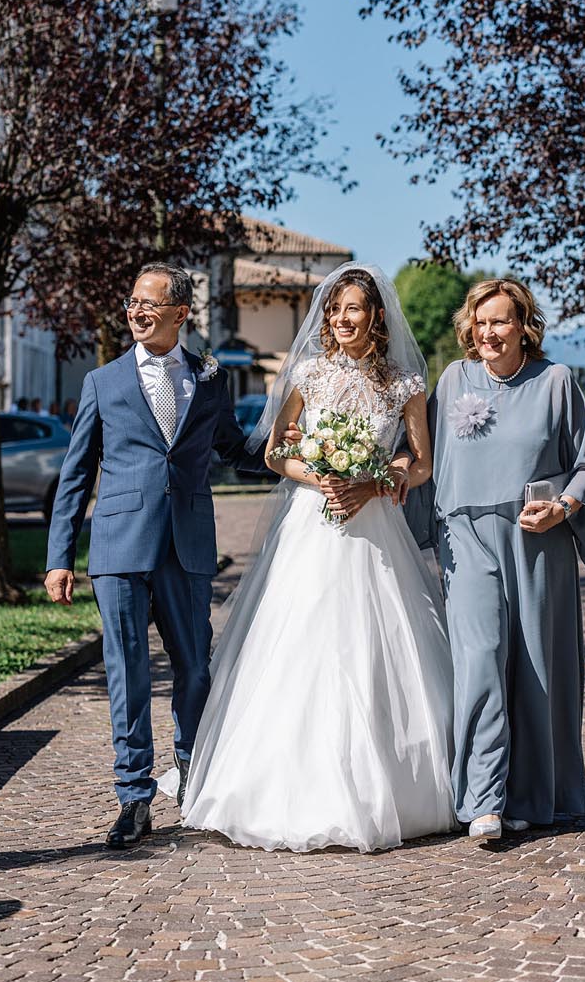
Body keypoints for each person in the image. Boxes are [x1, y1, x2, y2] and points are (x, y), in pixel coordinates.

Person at [177, 265, 454, 853]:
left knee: (375, 646)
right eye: (333, 310)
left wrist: (377, 482)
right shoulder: (308, 374)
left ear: (376, 315)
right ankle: (282, 787)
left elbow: (421, 463)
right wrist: (325, 478)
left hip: (375, 530)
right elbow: (277, 452)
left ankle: (395, 790)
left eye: (352, 309)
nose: (341, 319)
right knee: (299, 642)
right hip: (313, 524)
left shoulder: (404, 384)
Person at [44, 261, 259, 850]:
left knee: (194, 669)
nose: (137, 312)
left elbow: (237, 450)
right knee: (127, 671)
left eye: (150, 303)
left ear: (180, 314)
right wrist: (59, 555)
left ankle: (191, 772)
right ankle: (133, 794)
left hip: (187, 548)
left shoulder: (211, 380)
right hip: (117, 548)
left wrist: (301, 451)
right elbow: (75, 473)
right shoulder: (102, 383)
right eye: (132, 302)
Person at [424, 277, 585, 842]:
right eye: (480, 321)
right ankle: (483, 798)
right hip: (465, 536)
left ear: (524, 326)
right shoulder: (453, 380)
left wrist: (562, 508)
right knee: (481, 658)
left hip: (537, 540)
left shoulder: (557, 382)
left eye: (500, 321)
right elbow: (423, 458)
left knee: (538, 665)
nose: (489, 332)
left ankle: (534, 798)